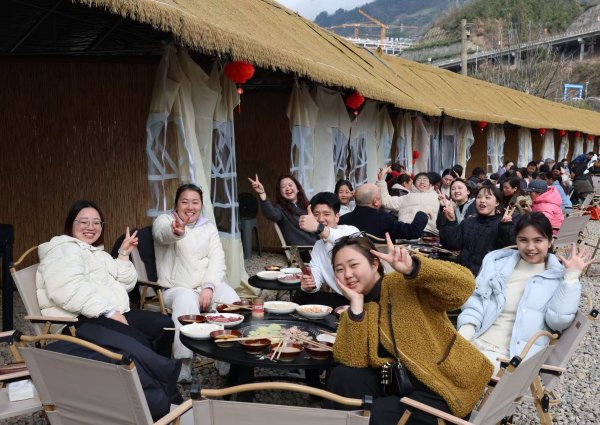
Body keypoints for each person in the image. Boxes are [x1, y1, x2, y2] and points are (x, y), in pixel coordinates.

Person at [326, 233, 493, 424]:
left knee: (370, 416)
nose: (347, 274)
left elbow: (464, 287)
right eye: (339, 269)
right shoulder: (359, 306)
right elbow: (352, 360)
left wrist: (414, 268)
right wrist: (356, 306)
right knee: (342, 376)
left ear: (374, 263)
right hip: (398, 383)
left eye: (354, 265)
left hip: (439, 388)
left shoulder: (404, 282)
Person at [36, 200, 180, 418]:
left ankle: (159, 384)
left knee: (163, 325)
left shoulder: (96, 253)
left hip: (107, 311)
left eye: (96, 222)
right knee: (136, 340)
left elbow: (126, 284)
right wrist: (109, 312)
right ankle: (161, 387)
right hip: (79, 320)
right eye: (84, 222)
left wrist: (123, 254)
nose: (90, 227)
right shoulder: (63, 250)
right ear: (70, 224)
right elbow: (69, 289)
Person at [457, 213, 589, 373]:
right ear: (516, 240)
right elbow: (476, 302)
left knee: (453, 371)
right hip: (475, 340)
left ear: (550, 241)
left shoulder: (558, 278)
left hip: (510, 357)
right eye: (523, 240)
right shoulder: (497, 265)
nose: (530, 247)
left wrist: (571, 277)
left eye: (538, 240)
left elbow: (558, 322)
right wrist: (465, 333)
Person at [153, 183, 240, 382]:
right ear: (176, 204)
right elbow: (162, 234)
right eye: (185, 202)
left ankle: (224, 353)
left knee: (231, 299)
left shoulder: (208, 227)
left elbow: (217, 260)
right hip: (176, 287)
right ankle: (183, 362)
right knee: (186, 302)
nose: (190, 207)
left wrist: (209, 287)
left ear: (201, 205)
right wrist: (176, 232)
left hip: (204, 285)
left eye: (195, 202)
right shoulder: (164, 221)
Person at [294, 192, 359, 308]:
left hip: (366, 297)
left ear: (337, 217)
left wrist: (318, 227)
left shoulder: (351, 231)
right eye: (316, 214)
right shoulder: (318, 246)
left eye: (326, 214)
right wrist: (309, 284)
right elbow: (316, 282)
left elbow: (342, 242)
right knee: (300, 295)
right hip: (344, 299)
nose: (320, 219)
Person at [439, 185, 517, 275]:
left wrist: (505, 226)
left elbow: (508, 250)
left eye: (487, 197)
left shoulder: (502, 224)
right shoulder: (468, 222)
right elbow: (452, 245)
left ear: (497, 202)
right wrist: (451, 221)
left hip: (485, 275)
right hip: (461, 272)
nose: (482, 200)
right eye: (479, 197)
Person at [339, 183, 428, 240]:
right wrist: (422, 213)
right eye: (380, 196)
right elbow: (413, 232)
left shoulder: (342, 220)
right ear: (376, 202)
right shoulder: (385, 219)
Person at [248, 174, 317, 246]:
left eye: (290, 185)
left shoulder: (308, 206)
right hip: (303, 249)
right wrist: (262, 192)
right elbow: (272, 214)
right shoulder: (280, 209)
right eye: (283, 187)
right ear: (280, 192)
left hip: (317, 245)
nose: (288, 188)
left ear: (298, 189)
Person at [376, 167, 439, 236]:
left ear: (430, 184)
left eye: (425, 180)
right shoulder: (406, 198)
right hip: (407, 235)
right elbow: (386, 201)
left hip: (431, 235)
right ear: (414, 184)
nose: (422, 182)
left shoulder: (438, 198)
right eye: (419, 180)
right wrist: (381, 180)